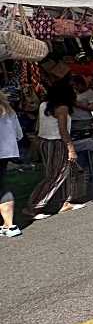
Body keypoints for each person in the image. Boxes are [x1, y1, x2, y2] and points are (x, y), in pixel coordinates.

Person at [25, 78, 85, 219]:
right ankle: (34, 206)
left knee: (61, 173)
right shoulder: (62, 108)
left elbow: (39, 125)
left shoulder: (44, 105)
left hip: (45, 142)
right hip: (57, 143)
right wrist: (71, 148)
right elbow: (63, 131)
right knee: (56, 175)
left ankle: (63, 202)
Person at [69, 75, 93, 200]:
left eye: (76, 85)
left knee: (91, 155)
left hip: (86, 122)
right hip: (74, 124)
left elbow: (92, 107)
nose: (74, 88)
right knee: (80, 155)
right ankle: (84, 184)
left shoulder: (89, 93)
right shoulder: (72, 93)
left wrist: (76, 104)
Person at [0, 93, 23, 237]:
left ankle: (8, 224)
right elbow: (19, 135)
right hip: (6, 152)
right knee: (2, 186)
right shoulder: (8, 110)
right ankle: (7, 224)